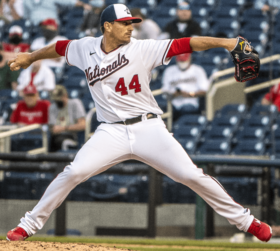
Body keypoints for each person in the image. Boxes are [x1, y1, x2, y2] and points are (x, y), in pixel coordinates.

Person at [6, 3, 272, 242]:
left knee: (191, 175)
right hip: (110, 131)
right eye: (124, 24)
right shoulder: (84, 47)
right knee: (73, 173)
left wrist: (226, 43)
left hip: (148, 128)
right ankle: (27, 226)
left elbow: (188, 43)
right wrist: (30, 57)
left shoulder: (144, 48)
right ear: (107, 26)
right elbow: (59, 47)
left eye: (132, 23)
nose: (130, 28)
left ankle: (248, 222)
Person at [162, 53, 209, 121]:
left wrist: (189, 94)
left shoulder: (198, 70)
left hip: (191, 102)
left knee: (186, 109)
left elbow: (204, 91)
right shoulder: (169, 71)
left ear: (189, 58)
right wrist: (174, 94)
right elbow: (164, 91)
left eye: (184, 61)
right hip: (173, 103)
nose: (182, 63)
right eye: (180, 61)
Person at [48, 85, 86, 152]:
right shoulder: (52, 107)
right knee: (49, 140)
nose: (57, 101)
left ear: (65, 95)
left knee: (61, 141)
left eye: (59, 98)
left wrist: (64, 128)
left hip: (73, 136)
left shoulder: (75, 103)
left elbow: (83, 125)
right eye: (55, 99)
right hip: (57, 136)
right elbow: (53, 129)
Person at [23, 0, 92, 25]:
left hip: (51, 25)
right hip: (35, 26)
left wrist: (83, 5)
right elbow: (26, 17)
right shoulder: (26, 1)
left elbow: (70, 2)